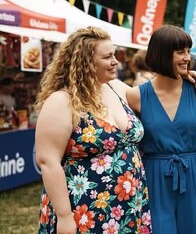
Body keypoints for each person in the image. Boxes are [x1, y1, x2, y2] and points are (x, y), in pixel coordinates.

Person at [35, 26, 151, 233]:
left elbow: (158, 96)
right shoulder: (62, 101)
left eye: (114, 54)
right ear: (86, 62)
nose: (116, 61)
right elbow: (48, 161)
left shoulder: (116, 87)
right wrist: (64, 217)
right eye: (108, 57)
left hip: (128, 207)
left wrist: (186, 77)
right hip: (83, 209)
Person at [127, 25, 196, 234]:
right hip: (154, 175)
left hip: (193, 173)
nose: (187, 58)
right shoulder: (136, 96)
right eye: (180, 52)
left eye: (188, 51)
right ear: (162, 54)